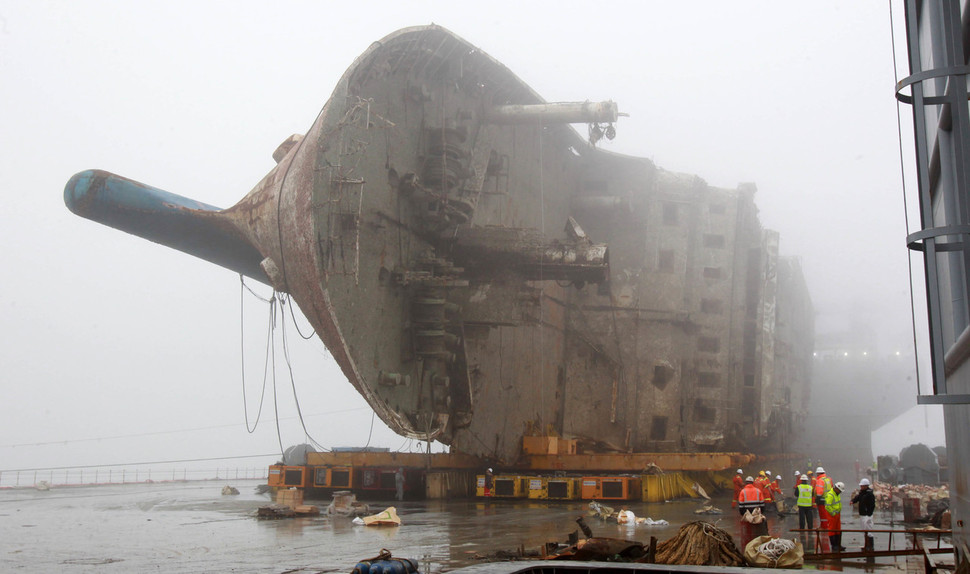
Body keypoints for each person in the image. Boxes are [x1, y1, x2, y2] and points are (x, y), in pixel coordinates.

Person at [852, 478, 876, 551]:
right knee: (864, 530)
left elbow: (872, 505)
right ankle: (866, 545)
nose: (861, 487)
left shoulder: (869, 494)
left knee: (869, 530)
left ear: (866, 486)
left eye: (862, 486)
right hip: (863, 514)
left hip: (867, 515)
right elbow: (858, 497)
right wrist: (853, 501)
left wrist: (869, 513)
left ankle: (870, 546)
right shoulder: (862, 493)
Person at [825, 481, 846, 551]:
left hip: (837, 514)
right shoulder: (830, 495)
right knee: (832, 529)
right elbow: (827, 506)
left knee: (838, 529)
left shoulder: (837, 494)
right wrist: (833, 513)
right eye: (840, 490)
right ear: (836, 488)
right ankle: (834, 545)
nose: (840, 492)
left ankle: (838, 545)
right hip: (832, 515)